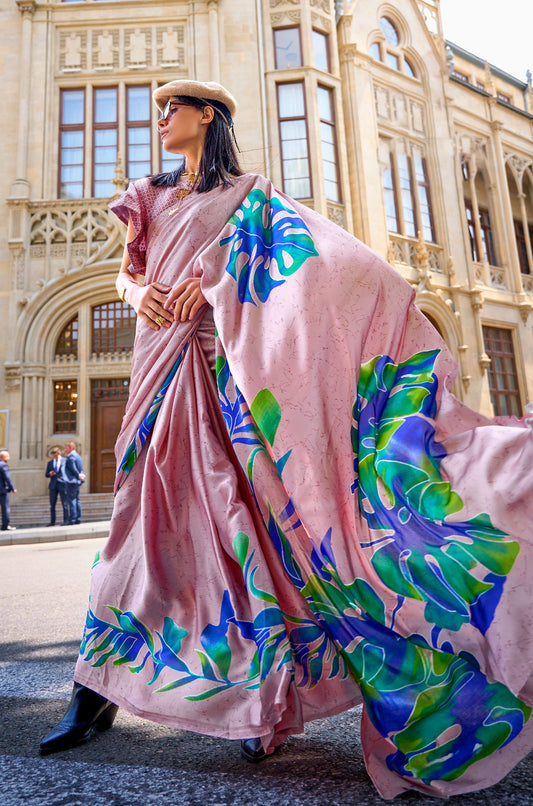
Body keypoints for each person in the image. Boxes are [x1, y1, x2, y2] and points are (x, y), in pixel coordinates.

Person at [39, 79, 533, 799]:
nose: (161, 120)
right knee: (137, 524)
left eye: (172, 108)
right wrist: (133, 293)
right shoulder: (147, 194)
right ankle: (98, 690)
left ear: (208, 114)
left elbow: (314, 269)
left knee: (246, 530)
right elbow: (128, 269)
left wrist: (212, 280)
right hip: (157, 362)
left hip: (218, 368)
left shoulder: (251, 197)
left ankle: (244, 696)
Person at [45, 446, 68, 526]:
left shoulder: (65, 461)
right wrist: (50, 474)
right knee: (52, 504)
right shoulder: (50, 463)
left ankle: (66, 520)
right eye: (53, 456)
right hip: (53, 485)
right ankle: (52, 521)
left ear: (59, 453)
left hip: (62, 483)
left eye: (56, 455)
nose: (55, 457)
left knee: (64, 503)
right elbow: (46, 474)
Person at [64, 441, 85, 525]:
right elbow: (80, 469)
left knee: (72, 500)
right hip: (77, 481)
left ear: (71, 448)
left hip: (72, 481)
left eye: (67, 448)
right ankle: (78, 518)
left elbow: (73, 468)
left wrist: (78, 476)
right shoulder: (78, 456)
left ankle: (73, 519)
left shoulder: (71, 456)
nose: (65, 450)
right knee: (77, 500)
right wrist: (81, 478)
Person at [0, 450, 16, 531]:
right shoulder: (3, 465)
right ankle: (5, 525)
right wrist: (12, 488)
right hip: (2, 490)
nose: (8, 459)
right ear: (4, 458)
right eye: (7, 457)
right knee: (5, 508)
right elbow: (7, 478)